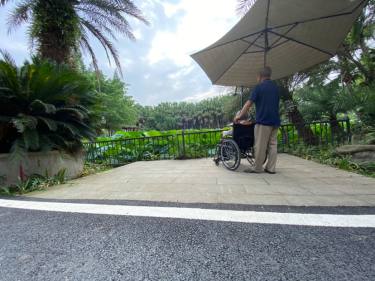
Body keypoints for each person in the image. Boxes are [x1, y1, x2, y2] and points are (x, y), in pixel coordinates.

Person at [234, 66, 280, 174]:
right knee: (273, 145)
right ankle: (271, 168)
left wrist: (239, 116)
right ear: (269, 75)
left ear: (259, 76)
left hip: (263, 121)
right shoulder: (276, 88)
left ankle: (258, 168)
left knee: (260, 146)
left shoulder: (258, 87)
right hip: (275, 121)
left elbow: (248, 104)